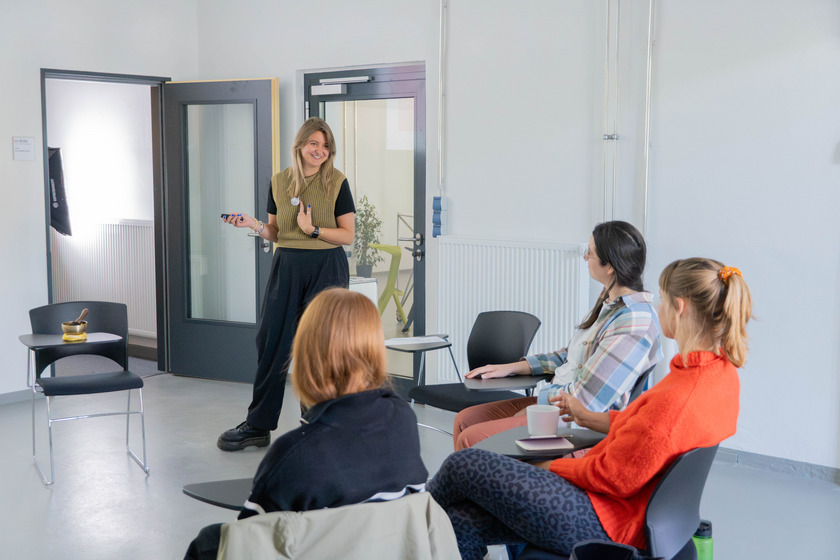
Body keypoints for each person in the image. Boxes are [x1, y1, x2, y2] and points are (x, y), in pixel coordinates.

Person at [426, 258, 752, 559]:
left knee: (463, 463)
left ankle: (406, 524)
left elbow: (613, 477)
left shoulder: (677, 398)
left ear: (679, 307)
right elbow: (649, 428)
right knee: (458, 521)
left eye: (663, 301)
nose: (659, 308)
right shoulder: (718, 375)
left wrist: (548, 466)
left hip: (603, 519)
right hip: (635, 514)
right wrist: (588, 418)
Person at [186, 288, 429, 559]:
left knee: (210, 541)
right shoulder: (404, 419)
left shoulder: (295, 454)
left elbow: (249, 543)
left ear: (307, 354)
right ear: (374, 349)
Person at [454, 220, 662, 450]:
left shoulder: (634, 321)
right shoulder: (610, 302)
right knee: (465, 420)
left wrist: (537, 406)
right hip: (556, 403)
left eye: (590, 253)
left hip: (572, 421)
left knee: (471, 438)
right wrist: (513, 367)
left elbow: (586, 402)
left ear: (610, 266)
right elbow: (571, 357)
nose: (585, 257)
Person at [217, 117, 356, 451]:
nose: (320, 151)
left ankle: (317, 424)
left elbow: (348, 235)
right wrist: (254, 225)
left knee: (320, 348)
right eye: (314, 144)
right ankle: (258, 425)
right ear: (300, 145)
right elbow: (277, 232)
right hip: (288, 265)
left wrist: (313, 230)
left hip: (327, 266)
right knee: (271, 342)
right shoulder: (279, 182)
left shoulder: (337, 182)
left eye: (326, 146)